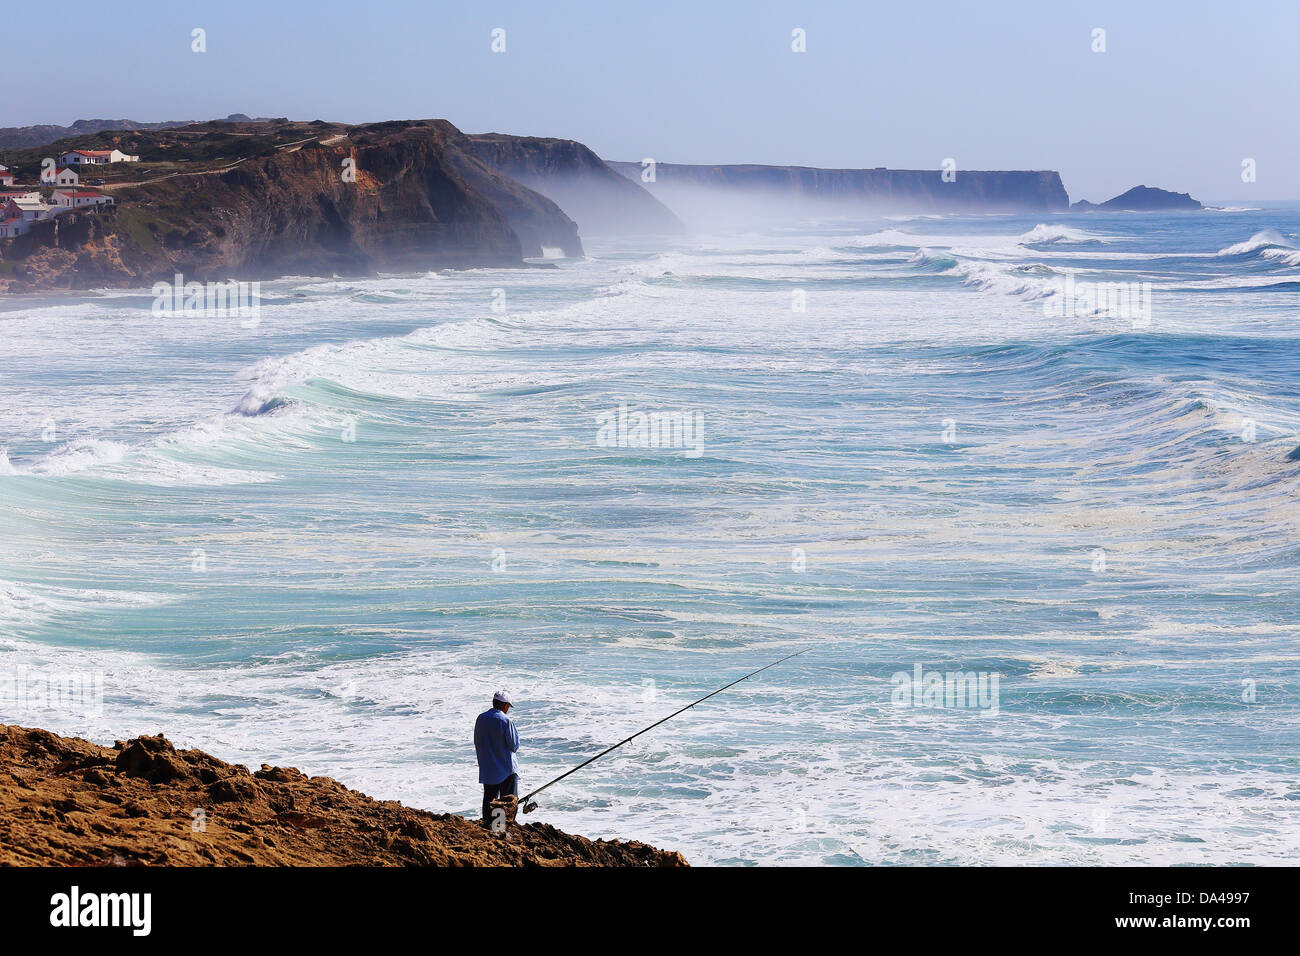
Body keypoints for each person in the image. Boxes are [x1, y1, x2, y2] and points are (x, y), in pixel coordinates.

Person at [474, 690, 519, 828]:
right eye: (508, 706)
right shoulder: (506, 721)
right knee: (508, 802)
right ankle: (501, 828)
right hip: (506, 769)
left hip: (488, 768)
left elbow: (477, 741)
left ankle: (489, 826)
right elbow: (514, 745)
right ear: (504, 705)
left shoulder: (481, 718)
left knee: (489, 800)